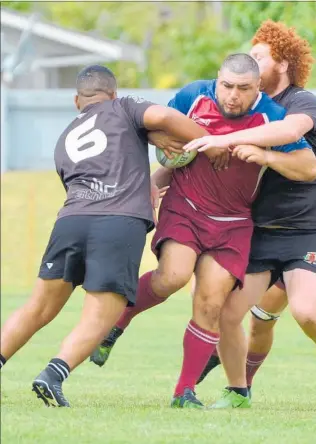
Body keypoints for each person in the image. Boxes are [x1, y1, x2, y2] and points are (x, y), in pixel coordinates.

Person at [90, 54, 314, 409]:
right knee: (172, 277)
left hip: (234, 223)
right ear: (217, 79)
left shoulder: (271, 117)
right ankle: (120, 319)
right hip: (186, 207)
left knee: (211, 303)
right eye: (226, 85)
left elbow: (309, 167)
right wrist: (161, 149)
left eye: (243, 89)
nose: (232, 96)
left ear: (258, 87)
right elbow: (150, 127)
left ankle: (184, 392)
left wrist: (267, 156)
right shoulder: (193, 96)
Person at [0, 64, 210, 407]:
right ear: (112, 93)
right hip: (117, 221)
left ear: (76, 100)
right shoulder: (125, 107)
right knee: (101, 314)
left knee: (38, 307)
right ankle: (53, 374)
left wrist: (144, 139)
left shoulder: (65, 136)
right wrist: (206, 139)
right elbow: (162, 116)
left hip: (70, 220)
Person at [185, 21, 316, 408]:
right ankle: (238, 391)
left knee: (307, 312)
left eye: (260, 56)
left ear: (284, 63)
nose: (251, 62)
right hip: (259, 229)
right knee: (227, 313)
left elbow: (291, 131)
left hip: (308, 228)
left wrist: (238, 143)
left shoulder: (302, 102)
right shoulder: (243, 105)